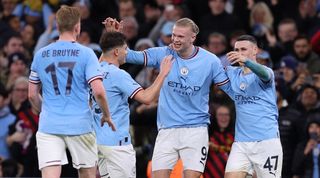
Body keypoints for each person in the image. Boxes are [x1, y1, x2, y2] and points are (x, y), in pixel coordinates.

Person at [104, 17, 232, 178]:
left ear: (193, 37)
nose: (175, 40)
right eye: (174, 35)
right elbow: (129, 56)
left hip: (195, 130)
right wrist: (113, 36)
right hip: (167, 130)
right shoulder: (163, 53)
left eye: (180, 36)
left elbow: (229, 88)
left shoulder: (210, 61)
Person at [28, 5, 115, 178]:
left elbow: (32, 94)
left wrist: (46, 111)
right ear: (77, 26)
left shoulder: (40, 54)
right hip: (80, 124)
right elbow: (98, 91)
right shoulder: (86, 54)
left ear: (58, 26)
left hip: (49, 125)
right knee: (87, 174)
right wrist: (106, 114)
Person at [92, 31, 172, 178]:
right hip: (117, 144)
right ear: (116, 51)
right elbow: (146, 98)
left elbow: (104, 55)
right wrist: (163, 74)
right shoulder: (119, 75)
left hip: (98, 142)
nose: (127, 53)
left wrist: (110, 32)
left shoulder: (93, 71)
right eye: (125, 49)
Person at [225, 35, 283, 178]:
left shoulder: (265, 72)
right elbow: (213, 68)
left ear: (255, 50)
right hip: (241, 143)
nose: (239, 53)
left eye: (243, 49)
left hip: (267, 141)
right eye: (236, 50)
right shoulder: (233, 73)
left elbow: (264, 75)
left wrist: (247, 62)